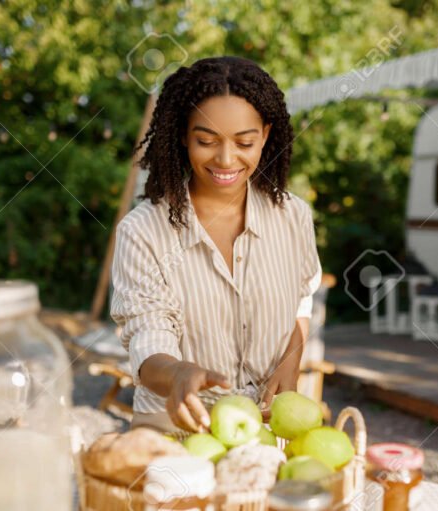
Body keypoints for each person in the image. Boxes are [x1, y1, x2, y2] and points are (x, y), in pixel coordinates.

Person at [110, 56, 321, 433]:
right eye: (206, 141)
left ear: (266, 135)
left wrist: (292, 358)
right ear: (183, 135)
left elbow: (303, 295)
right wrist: (176, 374)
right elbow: (147, 332)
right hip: (174, 429)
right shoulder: (142, 232)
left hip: (267, 429)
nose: (226, 159)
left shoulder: (294, 217)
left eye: (245, 142)